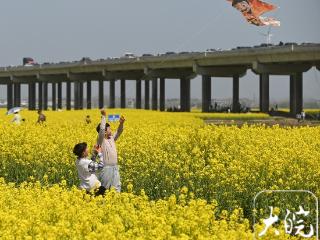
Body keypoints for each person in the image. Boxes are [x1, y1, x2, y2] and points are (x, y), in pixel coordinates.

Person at [97, 109, 125, 192]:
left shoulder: (111, 138)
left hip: (115, 167)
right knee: (105, 189)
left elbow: (119, 131)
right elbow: (101, 131)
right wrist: (103, 117)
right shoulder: (101, 140)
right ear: (105, 131)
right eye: (109, 129)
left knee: (117, 188)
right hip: (106, 168)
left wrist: (121, 123)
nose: (111, 130)